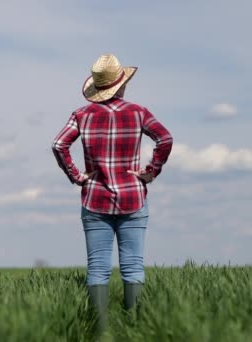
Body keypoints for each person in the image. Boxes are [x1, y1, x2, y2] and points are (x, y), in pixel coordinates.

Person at [51, 53, 173, 334]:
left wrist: (77, 176)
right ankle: (135, 330)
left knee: (97, 269)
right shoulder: (139, 112)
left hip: (95, 199)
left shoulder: (81, 115)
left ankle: (100, 332)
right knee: (133, 266)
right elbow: (164, 138)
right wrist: (151, 171)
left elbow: (59, 145)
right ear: (123, 85)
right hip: (133, 198)